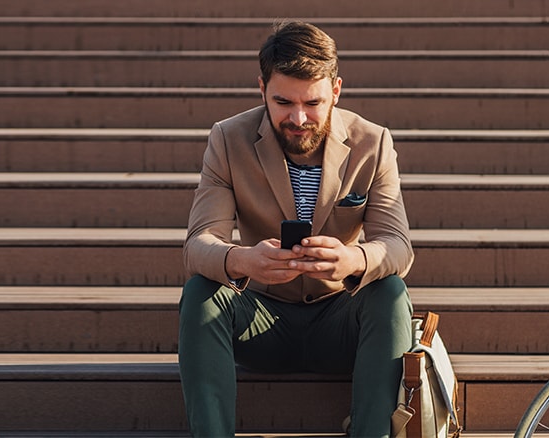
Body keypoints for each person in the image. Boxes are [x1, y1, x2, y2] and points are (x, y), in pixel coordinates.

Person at [178, 21, 415, 437]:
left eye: (313, 103)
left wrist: (353, 259)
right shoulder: (227, 139)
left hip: (341, 321)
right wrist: (241, 260)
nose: (299, 118)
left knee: (391, 291)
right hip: (261, 318)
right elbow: (198, 245)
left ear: (336, 91)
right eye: (283, 102)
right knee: (201, 291)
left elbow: (397, 245)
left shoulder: (372, 143)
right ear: (262, 89)